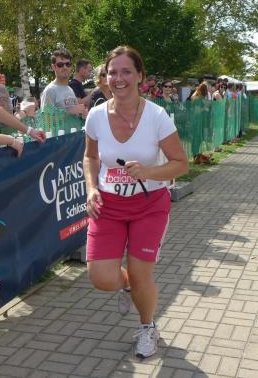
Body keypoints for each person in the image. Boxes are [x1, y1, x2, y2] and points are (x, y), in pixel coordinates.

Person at [83, 46, 188, 359]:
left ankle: (147, 327)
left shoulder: (157, 116)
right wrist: (91, 188)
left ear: (140, 76)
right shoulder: (96, 116)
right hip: (108, 206)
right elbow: (90, 157)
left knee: (143, 275)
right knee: (102, 278)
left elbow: (181, 164)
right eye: (112, 72)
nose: (119, 78)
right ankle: (127, 285)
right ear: (106, 77)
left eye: (126, 71)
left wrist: (148, 171)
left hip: (149, 205)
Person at [40, 48, 88, 118]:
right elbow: (46, 119)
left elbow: (75, 114)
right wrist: (69, 112)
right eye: (60, 65)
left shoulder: (70, 90)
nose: (65, 67)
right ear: (53, 67)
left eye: (68, 64)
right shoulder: (50, 90)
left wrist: (82, 114)